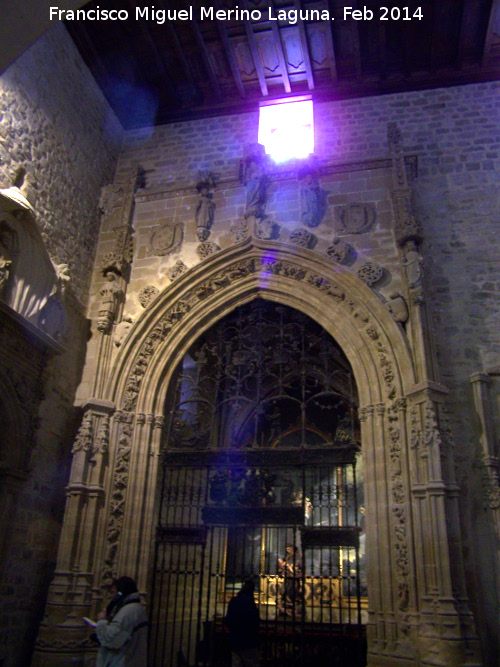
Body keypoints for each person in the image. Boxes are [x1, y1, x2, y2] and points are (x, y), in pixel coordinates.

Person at [95, 576, 148, 667]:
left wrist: (102, 622)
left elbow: (113, 639)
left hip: (122, 661)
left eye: (113, 592)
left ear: (121, 593)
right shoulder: (136, 608)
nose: (110, 596)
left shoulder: (128, 611)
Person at [224, 578, 260, 667]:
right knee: (251, 662)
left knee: (236, 663)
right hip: (248, 641)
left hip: (235, 639)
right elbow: (255, 621)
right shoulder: (250, 602)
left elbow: (228, 620)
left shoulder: (234, 601)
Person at [278, 545, 303, 618]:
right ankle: (285, 609)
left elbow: (301, 569)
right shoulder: (287, 557)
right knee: (285, 592)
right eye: (287, 549)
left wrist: (294, 569)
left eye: (289, 548)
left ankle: (292, 609)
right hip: (287, 578)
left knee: (293, 592)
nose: (287, 550)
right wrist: (282, 567)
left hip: (294, 579)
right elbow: (281, 567)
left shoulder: (298, 558)